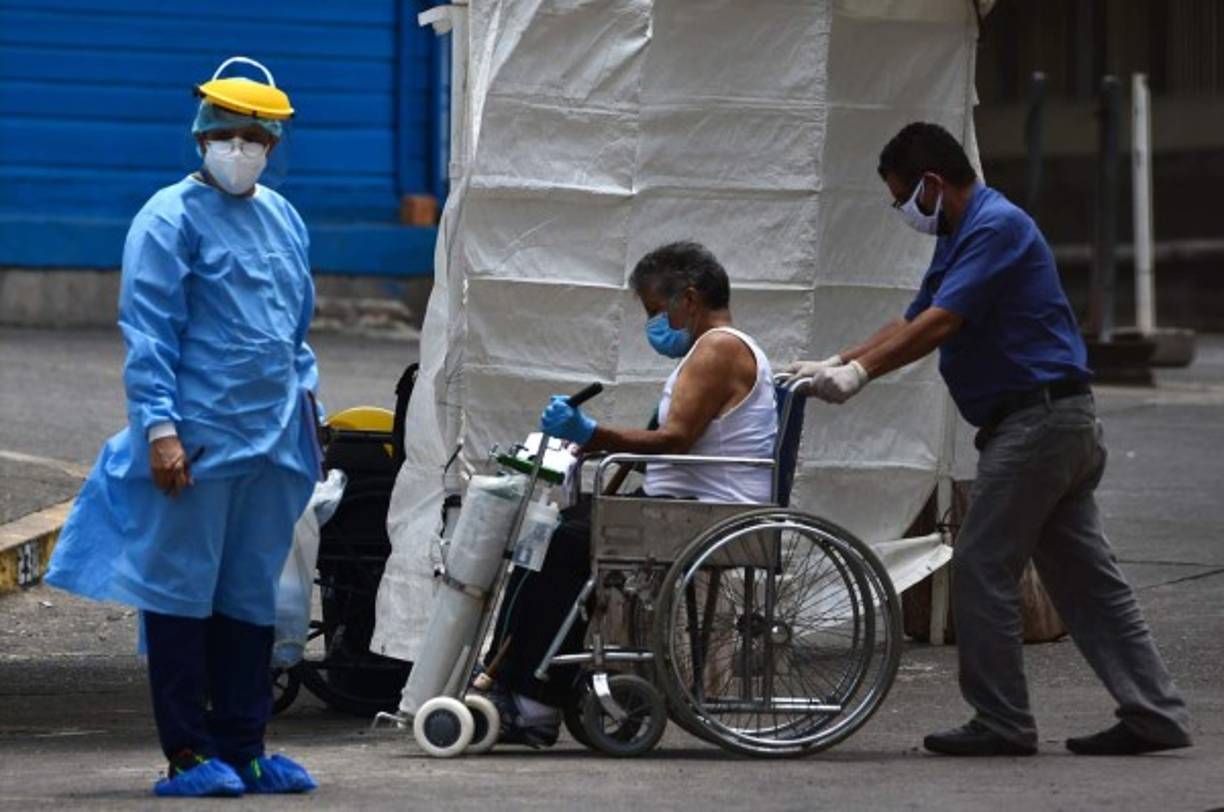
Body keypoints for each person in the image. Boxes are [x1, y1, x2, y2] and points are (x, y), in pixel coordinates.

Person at [784, 122, 1191, 757]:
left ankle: (1002, 720)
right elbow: (915, 316)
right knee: (1088, 582)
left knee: (979, 566)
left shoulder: (996, 227)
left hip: (1038, 425)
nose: (902, 212)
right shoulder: (961, 234)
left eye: (903, 198)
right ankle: (1154, 709)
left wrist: (860, 376)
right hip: (1056, 423)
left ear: (932, 184)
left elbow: (943, 322)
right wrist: (835, 358)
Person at [46, 58, 321, 796]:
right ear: (201, 136)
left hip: (269, 440)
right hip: (197, 440)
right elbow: (150, 332)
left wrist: (307, 419)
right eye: (226, 133)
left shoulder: (282, 218)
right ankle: (189, 751)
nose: (240, 148)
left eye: (253, 135)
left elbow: (294, 332)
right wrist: (159, 430)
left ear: (273, 143)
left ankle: (246, 742)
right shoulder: (167, 219)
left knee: (249, 596)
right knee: (181, 591)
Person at [479, 241, 779, 747]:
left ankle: (527, 698)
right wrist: (592, 446)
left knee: (560, 540)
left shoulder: (718, 348)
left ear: (688, 298)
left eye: (655, 312)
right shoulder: (711, 349)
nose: (653, 327)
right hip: (693, 503)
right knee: (562, 531)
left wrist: (592, 434)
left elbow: (676, 438)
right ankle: (528, 685)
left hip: (711, 514)